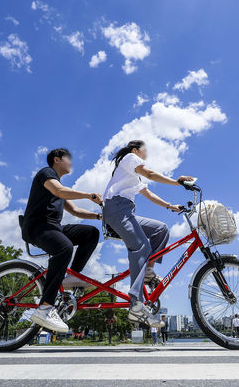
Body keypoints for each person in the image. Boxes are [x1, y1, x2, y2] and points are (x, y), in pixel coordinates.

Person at [102, 140, 194, 327]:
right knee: (141, 246)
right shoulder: (130, 158)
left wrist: (170, 206)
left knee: (161, 229)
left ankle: (148, 271)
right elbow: (150, 173)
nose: (146, 155)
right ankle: (136, 303)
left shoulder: (134, 177)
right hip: (116, 209)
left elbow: (150, 195)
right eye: (145, 151)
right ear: (136, 150)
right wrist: (177, 182)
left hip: (126, 211)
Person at [23, 148, 103, 333]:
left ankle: (73, 276)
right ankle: (45, 307)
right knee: (65, 248)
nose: (71, 162)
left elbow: (75, 211)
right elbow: (59, 191)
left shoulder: (59, 187)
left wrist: (100, 216)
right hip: (38, 227)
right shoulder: (46, 174)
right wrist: (88, 195)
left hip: (53, 228)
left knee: (90, 233)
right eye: (68, 159)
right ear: (57, 160)